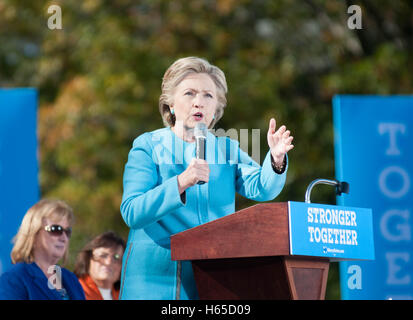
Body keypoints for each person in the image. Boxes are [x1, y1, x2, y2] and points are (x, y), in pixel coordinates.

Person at [119, 56, 294, 300]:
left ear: (216, 108)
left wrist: (276, 160)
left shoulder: (226, 149)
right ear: (170, 103)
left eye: (208, 96)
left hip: (213, 278)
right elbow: (132, 211)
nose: (199, 102)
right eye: (189, 93)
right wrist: (182, 181)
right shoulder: (148, 145)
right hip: (157, 280)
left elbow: (262, 188)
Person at [0, 199, 85, 300]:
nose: (63, 237)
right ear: (34, 233)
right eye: (55, 229)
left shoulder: (71, 279)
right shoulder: (14, 279)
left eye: (67, 231)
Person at [74, 231, 125, 300]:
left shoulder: (126, 295)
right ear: (88, 259)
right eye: (103, 255)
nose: (108, 262)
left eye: (116, 257)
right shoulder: (74, 291)